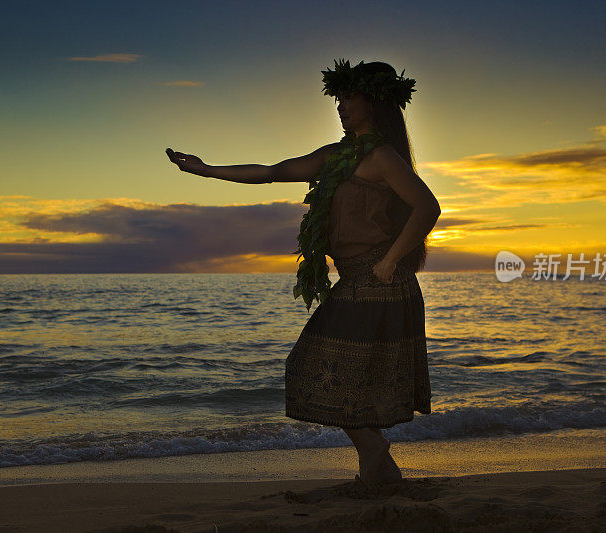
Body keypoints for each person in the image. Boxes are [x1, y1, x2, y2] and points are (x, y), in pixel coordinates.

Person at [166, 59, 441, 489]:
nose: (341, 106)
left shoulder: (382, 158)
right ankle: (377, 465)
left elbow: (428, 207)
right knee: (331, 374)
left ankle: (374, 456)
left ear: (374, 103)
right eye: (339, 98)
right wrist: (206, 170)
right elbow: (274, 172)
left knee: (317, 367)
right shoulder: (334, 157)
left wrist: (391, 260)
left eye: (350, 97)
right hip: (353, 279)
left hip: (382, 282)